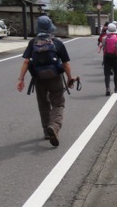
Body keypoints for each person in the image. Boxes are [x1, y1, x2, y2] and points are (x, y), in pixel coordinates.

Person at [16, 15, 74, 147]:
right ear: (50, 28)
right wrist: (70, 78)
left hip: (38, 78)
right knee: (58, 104)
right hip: (55, 78)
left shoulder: (33, 42)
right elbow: (66, 64)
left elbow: (26, 61)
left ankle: (47, 131)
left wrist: (21, 79)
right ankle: (54, 126)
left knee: (43, 104)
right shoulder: (57, 43)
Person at [98, 22, 117, 96]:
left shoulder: (104, 38)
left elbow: (101, 43)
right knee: (116, 73)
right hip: (116, 57)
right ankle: (116, 89)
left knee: (107, 74)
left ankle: (107, 88)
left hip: (106, 57)